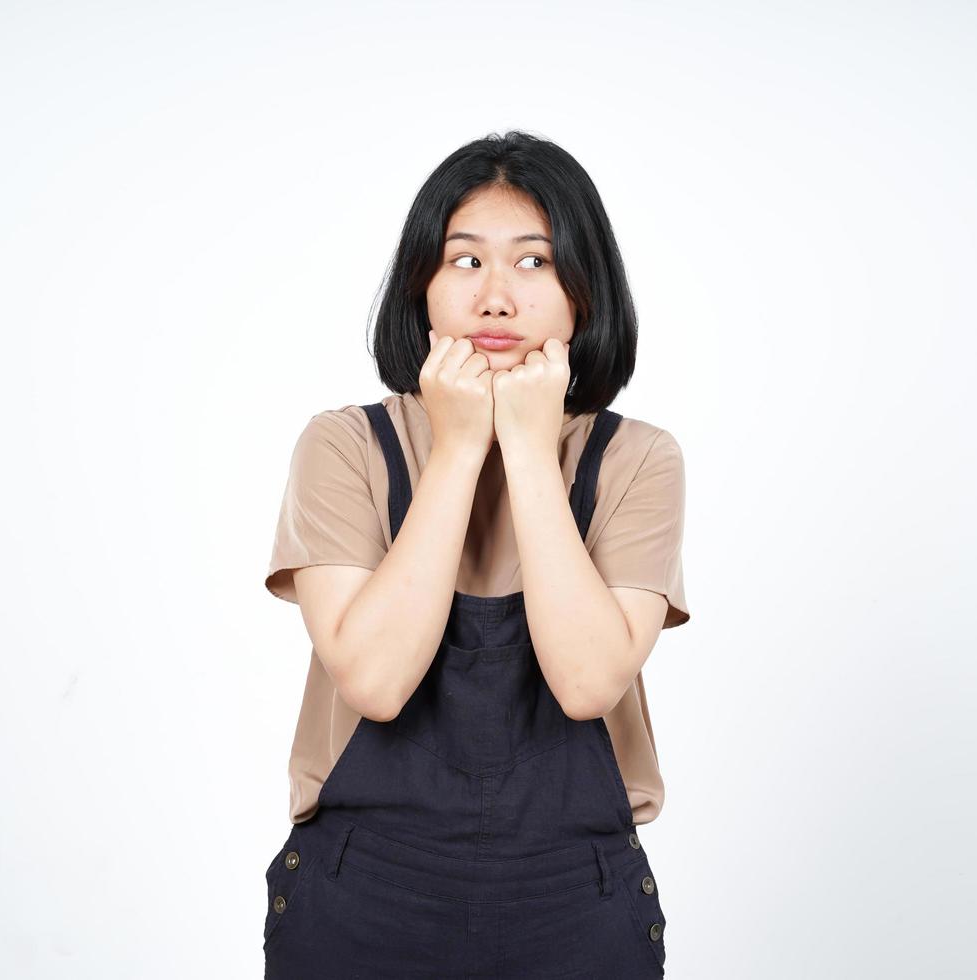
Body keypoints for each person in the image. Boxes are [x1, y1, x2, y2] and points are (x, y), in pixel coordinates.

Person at [261, 130, 689, 978]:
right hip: (362, 896)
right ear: (422, 287)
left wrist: (529, 451)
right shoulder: (345, 446)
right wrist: (459, 450)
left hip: (574, 903)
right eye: (466, 261)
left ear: (584, 295)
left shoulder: (639, 459)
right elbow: (376, 684)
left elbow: (586, 682)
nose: (497, 298)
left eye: (534, 263)